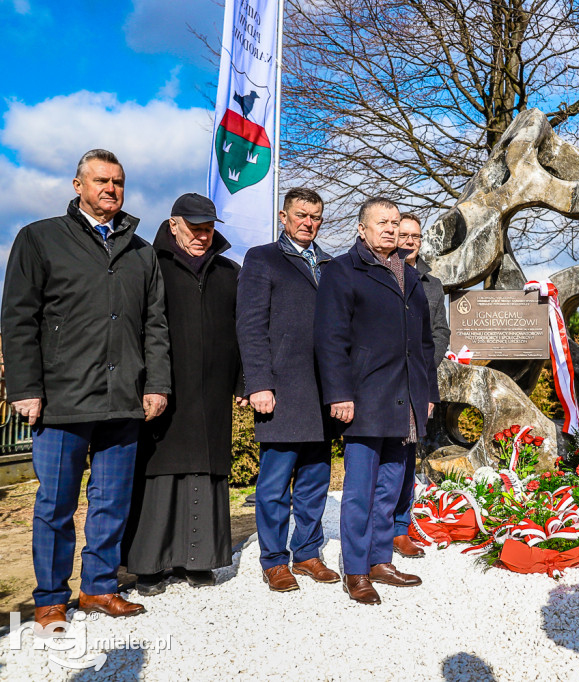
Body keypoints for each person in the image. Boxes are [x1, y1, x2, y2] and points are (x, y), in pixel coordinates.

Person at [1, 149, 171, 630]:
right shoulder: (40, 238)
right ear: (78, 185)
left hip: (124, 398)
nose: (110, 189)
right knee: (55, 504)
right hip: (61, 398)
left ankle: (99, 587)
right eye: (100, 181)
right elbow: (17, 318)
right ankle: (51, 597)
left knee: (111, 500)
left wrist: (156, 383)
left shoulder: (141, 251)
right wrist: (26, 387)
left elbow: (154, 324)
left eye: (118, 182)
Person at [315, 197, 439, 605]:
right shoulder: (342, 271)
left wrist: (429, 394)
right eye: (381, 222)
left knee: (390, 487)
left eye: (394, 222)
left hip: (405, 398)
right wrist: (339, 393)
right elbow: (330, 338)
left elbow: (423, 343)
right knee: (360, 490)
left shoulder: (410, 275)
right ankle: (356, 570)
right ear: (361, 229)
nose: (389, 228)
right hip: (364, 396)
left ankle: (380, 560)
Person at [122, 194, 244, 596]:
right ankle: (150, 565)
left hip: (211, 391)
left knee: (205, 471)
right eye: (194, 228)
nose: (202, 236)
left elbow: (244, 333)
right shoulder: (146, 263)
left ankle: (200, 560)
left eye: (208, 228)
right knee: (158, 471)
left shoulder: (230, 271)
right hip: (160, 389)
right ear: (173, 224)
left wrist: (242, 381)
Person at [237, 187, 340, 592]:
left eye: (315, 216)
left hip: (323, 390)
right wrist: (259, 382)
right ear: (284, 216)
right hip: (281, 388)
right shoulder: (262, 258)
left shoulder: (330, 264)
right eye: (300, 214)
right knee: (276, 482)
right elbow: (249, 324)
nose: (308, 222)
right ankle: (275, 559)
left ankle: (309, 552)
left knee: (316, 478)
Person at [392, 212, 450, 559]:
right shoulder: (379, 273)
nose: (411, 241)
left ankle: (401, 529)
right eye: (404, 234)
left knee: (406, 458)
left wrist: (425, 369)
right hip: (383, 383)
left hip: (417, 381)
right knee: (380, 459)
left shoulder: (432, 284)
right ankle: (375, 527)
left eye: (416, 236)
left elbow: (440, 332)